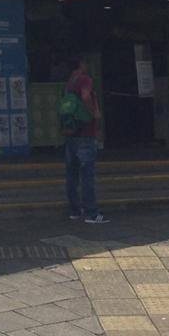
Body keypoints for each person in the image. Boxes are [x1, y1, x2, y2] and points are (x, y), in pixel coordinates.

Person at [62, 56, 107, 224]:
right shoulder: (84, 80)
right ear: (81, 64)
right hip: (85, 133)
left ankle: (75, 210)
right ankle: (91, 213)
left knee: (72, 174)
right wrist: (94, 113)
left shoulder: (69, 83)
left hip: (71, 132)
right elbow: (86, 96)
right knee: (87, 173)